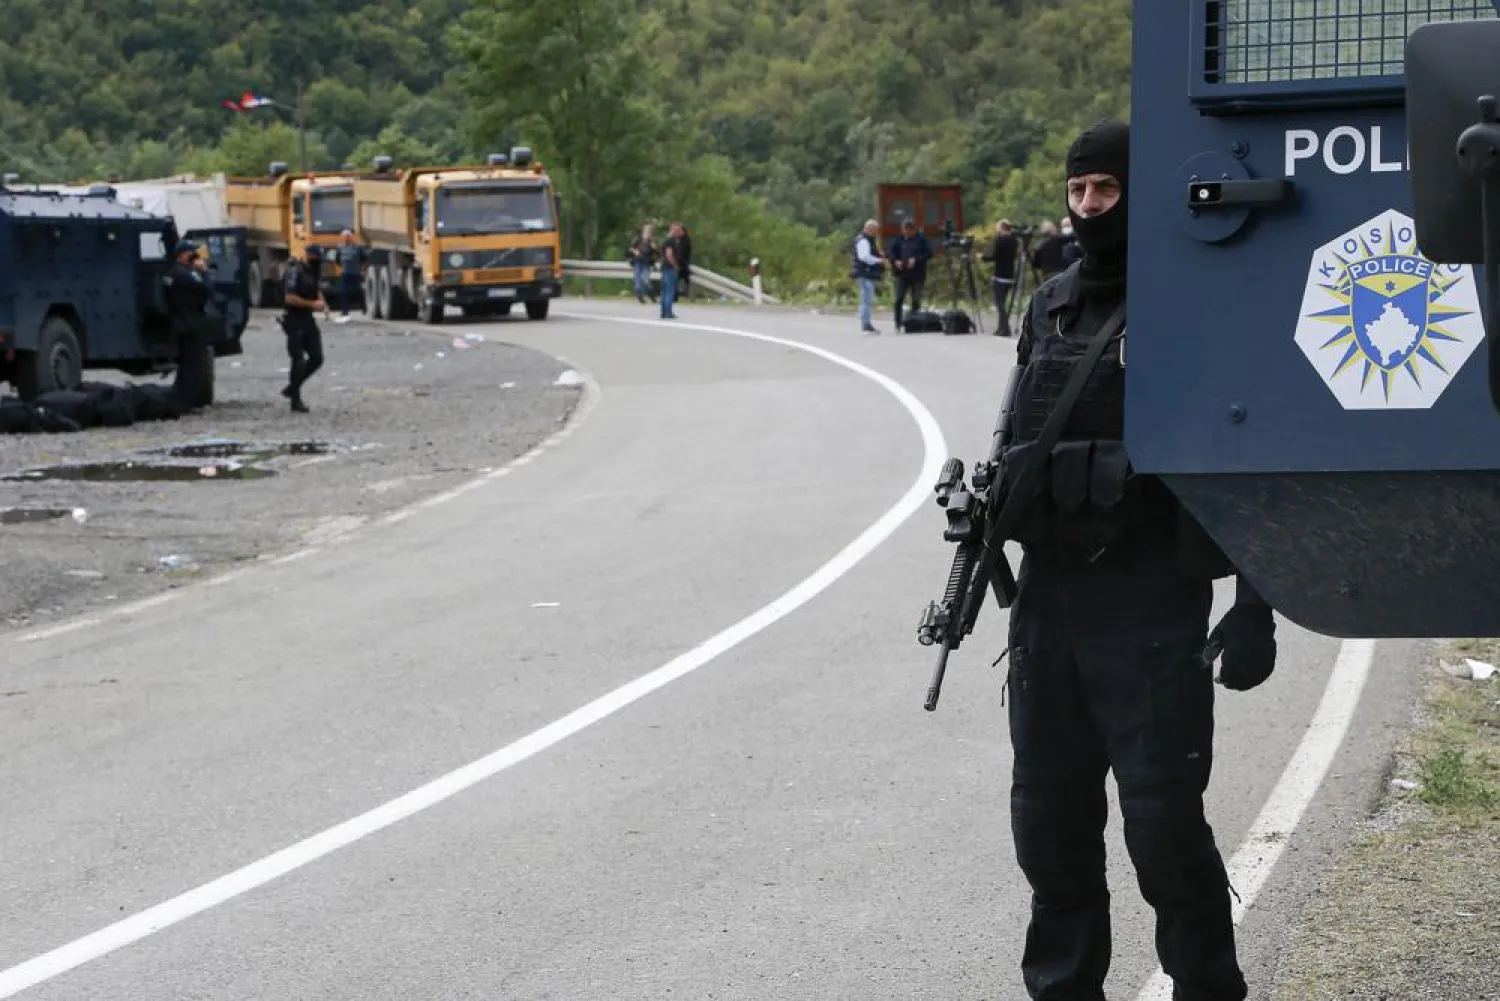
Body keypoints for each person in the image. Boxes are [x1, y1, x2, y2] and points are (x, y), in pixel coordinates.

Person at [993, 119, 1276, 1001]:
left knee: (1161, 829)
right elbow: (1017, 433)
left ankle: (1206, 988)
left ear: (1135, 194)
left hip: (1152, 604)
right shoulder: (1049, 304)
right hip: (1050, 607)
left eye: (1104, 190)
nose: (1088, 206)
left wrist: (1259, 598)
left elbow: (1244, 448)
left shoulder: (1188, 300)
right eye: (1076, 192)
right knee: (1049, 826)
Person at [163, 239, 214, 410]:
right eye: (192, 254)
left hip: (181, 323)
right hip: (191, 324)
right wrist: (204, 272)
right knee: (194, 365)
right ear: (184, 255)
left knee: (187, 364)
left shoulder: (172, 272)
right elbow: (206, 289)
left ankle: (184, 399)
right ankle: (188, 400)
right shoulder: (185, 274)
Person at [280, 244, 330, 413]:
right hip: (294, 319)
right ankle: (295, 399)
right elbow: (289, 298)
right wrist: (312, 304)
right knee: (298, 360)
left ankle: (292, 387)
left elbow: (316, 289)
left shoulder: (312, 272)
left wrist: (323, 305)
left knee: (317, 357)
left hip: (307, 319)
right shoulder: (295, 272)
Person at [886, 218, 932, 331]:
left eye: (908, 231)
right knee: (899, 298)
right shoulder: (899, 239)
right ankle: (898, 322)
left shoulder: (921, 239)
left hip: (917, 274)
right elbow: (890, 252)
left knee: (916, 298)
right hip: (901, 274)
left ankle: (914, 322)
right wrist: (895, 261)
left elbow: (929, 253)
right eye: (904, 230)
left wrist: (916, 259)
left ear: (913, 229)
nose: (906, 233)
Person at [981, 219, 1021, 337]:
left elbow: (995, 255)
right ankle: (1000, 327)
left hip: (1000, 275)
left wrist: (983, 258)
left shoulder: (1000, 240)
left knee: (1000, 303)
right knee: (1003, 302)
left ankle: (1005, 327)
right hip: (1010, 274)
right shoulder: (1014, 240)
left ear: (1002, 227)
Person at [851, 219, 885, 334]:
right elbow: (864, 257)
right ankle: (865, 325)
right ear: (869, 229)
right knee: (866, 300)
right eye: (875, 231)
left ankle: (866, 323)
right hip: (864, 273)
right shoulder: (863, 241)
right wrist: (878, 260)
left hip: (865, 273)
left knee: (867, 299)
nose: (876, 233)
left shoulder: (867, 240)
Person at [660, 222, 685, 319]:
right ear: (673, 230)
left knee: (665, 290)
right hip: (669, 267)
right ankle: (668, 312)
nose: (679, 232)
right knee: (670, 290)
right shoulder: (671, 241)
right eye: (677, 230)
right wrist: (675, 265)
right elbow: (669, 254)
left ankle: (663, 312)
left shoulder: (667, 240)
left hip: (664, 267)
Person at [336, 229, 363, 320]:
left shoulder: (357, 248)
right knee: (343, 292)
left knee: (359, 291)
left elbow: (363, 258)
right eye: (344, 237)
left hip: (355, 272)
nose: (346, 239)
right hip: (345, 273)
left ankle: (364, 308)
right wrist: (340, 268)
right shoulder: (340, 248)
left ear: (351, 238)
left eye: (348, 237)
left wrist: (360, 267)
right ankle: (344, 311)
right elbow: (337, 260)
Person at [628, 223, 658, 304]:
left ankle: (652, 296)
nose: (648, 232)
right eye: (647, 230)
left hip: (646, 263)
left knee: (646, 281)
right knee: (637, 282)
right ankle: (640, 297)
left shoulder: (652, 241)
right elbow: (630, 249)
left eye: (650, 231)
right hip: (638, 262)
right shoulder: (638, 239)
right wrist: (635, 251)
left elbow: (656, 254)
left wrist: (654, 248)